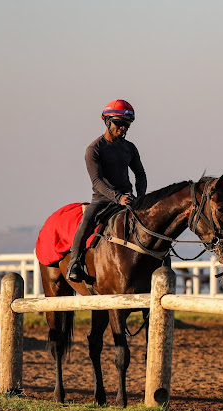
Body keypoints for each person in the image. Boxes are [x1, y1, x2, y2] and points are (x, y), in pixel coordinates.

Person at [66, 99, 147, 283]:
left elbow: (140, 174)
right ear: (107, 122)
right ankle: (74, 263)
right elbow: (97, 180)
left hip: (128, 199)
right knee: (85, 223)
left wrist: (141, 197)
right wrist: (118, 198)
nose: (123, 128)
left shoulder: (130, 148)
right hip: (103, 200)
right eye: (119, 124)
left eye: (127, 125)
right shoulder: (93, 149)